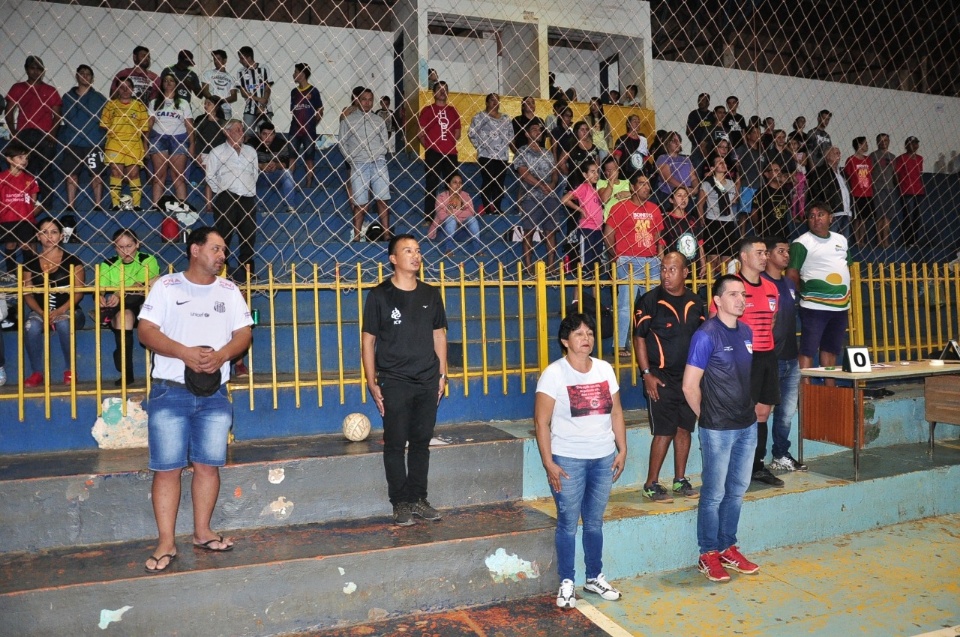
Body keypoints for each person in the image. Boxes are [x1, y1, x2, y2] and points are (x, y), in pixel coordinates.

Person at [137, 226, 253, 574]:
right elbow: (145, 331)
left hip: (214, 392)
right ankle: (166, 541)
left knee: (208, 464)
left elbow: (244, 333)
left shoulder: (230, 291)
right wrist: (185, 353)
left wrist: (221, 356)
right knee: (168, 468)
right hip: (170, 390)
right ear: (194, 250)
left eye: (223, 251)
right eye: (216, 249)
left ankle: (202, 532)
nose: (222, 256)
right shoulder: (167, 286)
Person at [534, 312, 626, 609]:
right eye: (578, 334)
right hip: (568, 460)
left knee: (595, 523)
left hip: (603, 458)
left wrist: (621, 449)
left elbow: (616, 412)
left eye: (589, 333)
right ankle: (567, 581)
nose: (586, 339)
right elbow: (541, 421)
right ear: (565, 341)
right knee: (568, 523)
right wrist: (549, 462)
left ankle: (594, 576)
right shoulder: (554, 374)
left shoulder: (605, 369)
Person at [361, 234, 448, 526]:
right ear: (393, 259)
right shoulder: (379, 295)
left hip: (427, 378)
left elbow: (439, 335)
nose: (415, 255)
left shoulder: (431, 294)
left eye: (418, 250)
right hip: (394, 379)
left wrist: (442, 374)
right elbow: (368, 340)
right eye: (408, 250)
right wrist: (372, 380)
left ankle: (418, 498)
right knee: (396, 442)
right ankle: (399, 502)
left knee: (421, 442)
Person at [682, 274, 760, 583]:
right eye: (733, 294)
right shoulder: (706, 335)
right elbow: (689, 387)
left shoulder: (746, 331)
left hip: (747, 426)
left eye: (743, 294)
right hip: (718, 429)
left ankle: (728, 546)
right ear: (717, 301)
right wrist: (709, 417)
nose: (741, 299)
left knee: (737, 491)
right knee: (714, 493)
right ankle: (708, 553)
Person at [634, 251, 705, 502]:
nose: (666, 274)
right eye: (663, 269)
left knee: (684, 428)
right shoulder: (649, 301)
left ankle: (680, 480)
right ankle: (651, 484)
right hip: (660, 378)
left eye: (672, 269)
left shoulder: (697, 302)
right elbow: (639, 337)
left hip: (688, 380)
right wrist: (646, 374)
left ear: (685, 272)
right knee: (664, 431)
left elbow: (703, 339)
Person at [730, 237, 783, 488]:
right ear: (744, 256)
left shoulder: (772, 288)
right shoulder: (732, 287)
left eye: (765, 253)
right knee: (743, 412)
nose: (765, 257)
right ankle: (737, 466)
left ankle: (757, 466)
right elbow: (717, 325)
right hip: (743, 358)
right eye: (759, 253)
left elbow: (771, 321)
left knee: (763, 412)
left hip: (767, 355)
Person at [786, 202, 851, 376]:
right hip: (814, 308)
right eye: (812, 216)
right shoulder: (801, 243)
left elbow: (846, 266)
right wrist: (808, 294)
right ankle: (806, 392)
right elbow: (792, 275)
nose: (816, 219)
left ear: (831, 218)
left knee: (831, 350)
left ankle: (829, 388)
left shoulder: (841, 240)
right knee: (808, 350)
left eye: (820, 214)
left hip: (841, 306)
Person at [603, 174, 663, 359]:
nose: (646, 187)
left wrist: (659, 256)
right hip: (628, 259)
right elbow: (608, 236)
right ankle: (620, 344)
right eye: (642, 183)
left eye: (648, 184)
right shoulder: (619, 207)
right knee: (625, 305)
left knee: (654, 304)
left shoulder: (655, 209)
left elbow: (658, 237)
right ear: (632, 187)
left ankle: (653, 342)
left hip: (651, 261)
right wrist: (618, 256)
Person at [22, 218, 86, 388]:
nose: (49, 236)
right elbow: (27, 294)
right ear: (38, 236)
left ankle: (70, 370)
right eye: (44, 232)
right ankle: (37, 372)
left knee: (64, 323)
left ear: (61, 236)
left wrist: (60, 311)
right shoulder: (30, 263)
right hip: (40, 311)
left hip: (70, 310)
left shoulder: (73, 261)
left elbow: (79, 293)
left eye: (53, 232)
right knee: (31, 326)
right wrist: (42, 313)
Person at [761, 236, 807, 472]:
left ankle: (780, 454)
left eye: (788, 252)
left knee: (787, 414)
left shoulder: (789, 284)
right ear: (768, 255)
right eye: (781, 251)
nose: (787, 255)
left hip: (791, 357)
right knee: (762, 411)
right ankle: (755, 460)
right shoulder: (760, 283)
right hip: (771, 358)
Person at [98, 228, 160, 386]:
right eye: (120, 247)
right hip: (123, 309)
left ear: (137, 244)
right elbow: (100, 288)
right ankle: (127, 373)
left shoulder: (147, 259)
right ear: (114, 247)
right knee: (124, 317)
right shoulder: (108, 263)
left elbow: (141, 284)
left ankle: (157, 369)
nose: (125, 251)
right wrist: (98, 297)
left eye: (129, 246)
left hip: (143, 304)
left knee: (155, 280)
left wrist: (118, 294)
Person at [205, 119, 259, 283]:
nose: (241, 133)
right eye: (237, 129)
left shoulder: (251, 152)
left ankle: (247, 272)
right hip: (226, 197)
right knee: (224, 235)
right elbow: (210, 177)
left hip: (248, 198)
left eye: (242, 129)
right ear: (226, 132)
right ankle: (223, 271)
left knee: (249, 236)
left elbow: (255, 174)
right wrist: (222, 190)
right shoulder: (217, 152)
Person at [5, 55, 61, 206]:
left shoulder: (50, 90)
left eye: (39, 69)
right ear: (26, 69)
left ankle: (47, 206)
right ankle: (25, 204)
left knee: (46, 171)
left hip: (44, 135)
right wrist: (14, 134)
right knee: (24, 171)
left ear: (43, 71)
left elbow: (57, 115)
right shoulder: (18, 88)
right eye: (32, 68)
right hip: (25, 134)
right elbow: (8, 112)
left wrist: (52, 135)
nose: (35, 72)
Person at [338, 86, 391, 241]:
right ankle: (356, 236)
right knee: (360, 203)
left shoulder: (379, 120)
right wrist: (351, 159)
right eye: (364, 99)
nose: (367, 103)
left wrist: (379, 154)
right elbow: (342, 142)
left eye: (370, 100)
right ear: (358, 100)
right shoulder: (348, 121)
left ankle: (387, 234)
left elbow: (385, 142)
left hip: (378, 163)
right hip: (359, 164)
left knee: (383, 199)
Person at [513, 122, 562, 275]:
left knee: (551, 231)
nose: (538, 131)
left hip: (549, 195)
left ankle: (551, 266)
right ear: (527, 134)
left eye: (539, 129)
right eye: (534, 129)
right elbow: (523, 173)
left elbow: (555, 171)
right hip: (530, 196)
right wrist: (541, 185)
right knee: (529, 230)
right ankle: (528, 265)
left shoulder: (547, 153)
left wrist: (553, 183)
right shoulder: (522, 151)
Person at [58, 64, 107, 213]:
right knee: (71, 173)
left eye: (88, 74)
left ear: (92, 79)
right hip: (74, 142)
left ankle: (97, 204)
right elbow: (64, 118)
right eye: (82, 73)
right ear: (77, 76)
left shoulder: (99, 98)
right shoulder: (67, 97)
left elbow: (106, 120)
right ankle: (70, 205)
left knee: (96, 173)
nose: (85, 76)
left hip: (94, 141)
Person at [101, 78, 150, 211]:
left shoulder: (139, 106)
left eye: (128, 86)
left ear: (132, 89)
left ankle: (137, 205)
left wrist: (145, 146)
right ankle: (116, 204)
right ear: (117, 89)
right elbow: (104, 124)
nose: (125, 89)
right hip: (115, 143)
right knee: (116, 173)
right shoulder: (110, 105)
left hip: (134, 144)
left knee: (134, 174)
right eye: (121, 87)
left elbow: (145, 129)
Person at [148, 73, 194, 208]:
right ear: (162, 84)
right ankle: (156, 205)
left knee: (178, 175)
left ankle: (182, 205)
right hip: (158, 138)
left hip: (179, 138)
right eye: (166, 81)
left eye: (171, 81)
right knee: (159, 173)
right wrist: (145, 143)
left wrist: (192, 144)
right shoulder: (154, 102)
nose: (168, 83)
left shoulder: (183, 103)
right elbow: (149, 125)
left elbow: (189, 125)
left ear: (176, 84)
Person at [418, 81, 461, 222]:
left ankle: (453, 215)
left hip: (451, 153)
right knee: (432, 184)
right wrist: (431, 147)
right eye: (439, 89)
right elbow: (420, 133)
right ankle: (429, 217)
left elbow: (457, 133)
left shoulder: (453, 111)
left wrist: (447, 145)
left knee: (453, 185)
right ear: (434, 93)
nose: (442, 92)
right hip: (433, 153)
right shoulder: (427, 110)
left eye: (445, 89)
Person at [467, 93, 512, 215]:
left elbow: (510, 137)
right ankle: (487, 208)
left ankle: (497, 207)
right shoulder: (480, 117)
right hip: (486, 155)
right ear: (486, 102)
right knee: (488, 181)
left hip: (502, 156)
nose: (495, 102)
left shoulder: (506, 119)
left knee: (499, 182)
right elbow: (471, 133)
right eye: (492, 100)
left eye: (497, 100)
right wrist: (480, 147)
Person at [0, 142, 40, 274]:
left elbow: (33, 199)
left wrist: (30, 211)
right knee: (10, 244)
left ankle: (28, 273)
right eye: (20, 157)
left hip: (25, 218)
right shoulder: (2, 178)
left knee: (26, 245)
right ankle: (11, 273)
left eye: (26, 158)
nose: (24, 161)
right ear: (9, 159)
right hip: (7, 218)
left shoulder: (29, 178)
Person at [561, 160, 606, 275]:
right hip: (587, 229)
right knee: (585, 264)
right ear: (585, 175)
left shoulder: (596, 189)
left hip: (598, 230)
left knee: (595, 265)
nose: (596, 174)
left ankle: (594, 292)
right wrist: (580, 209)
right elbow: (565, 199)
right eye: (592, 172)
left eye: (597, 172)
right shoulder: (584, 187)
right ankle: (579, 291)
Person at [699, 154, 737, 273]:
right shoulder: (707, 183)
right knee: (713, 261)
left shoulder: (731, 183)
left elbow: (734, 201)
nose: (723, 164)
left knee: (726, 261)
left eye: (724, 162)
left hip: (728, 223)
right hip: (713, 222)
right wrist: (703, 222)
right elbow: (700, 204)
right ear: (712, 168)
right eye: (719, 162)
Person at [427, 172, 481, 257]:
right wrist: (458, 215)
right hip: (442, 232)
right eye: (455, 182)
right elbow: (442, 216)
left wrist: (453, 212)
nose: (458, 185)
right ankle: (448, 250)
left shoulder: (466, 196)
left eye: (460, 183)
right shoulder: (441, 197)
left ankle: (477, 249)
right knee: (450, 220)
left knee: (472, 220)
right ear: (448, 184)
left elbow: (471, 213)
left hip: (460, 232)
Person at [249, 121, 297, 214]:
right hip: (257, 175)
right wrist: (261, 166)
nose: (267, 138)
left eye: (270, 135)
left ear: (274, 135)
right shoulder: (252, 143)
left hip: (275, 174)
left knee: (287, 173)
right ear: (259, 134)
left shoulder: (281, 143)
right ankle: (249, 207)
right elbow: (245, 162)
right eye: (264, 134)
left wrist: (276, 165)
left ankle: (291, 206)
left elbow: (287, 163)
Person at [289, 63, 323, 189]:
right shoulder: (294, 92)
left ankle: (309, 184)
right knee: (292, 157)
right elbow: (293, 110)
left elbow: (320, 109)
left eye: (296, 71)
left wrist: (313, 123)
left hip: (309, 130)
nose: (294, 74)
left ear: (302, 74)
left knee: (309, 158)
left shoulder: (313, 91)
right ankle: (290, 183)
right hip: (294, 129)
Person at [807, 146, 851, 239]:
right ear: (827, 156)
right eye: (835, 153)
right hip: (831, 213)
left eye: (839, 152)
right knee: (828, 239)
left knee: (843, 242)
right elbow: (815, 193)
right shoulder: (820, 172)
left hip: (845, 212)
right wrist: (822, 211)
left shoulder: (843, 172)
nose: (838, 154)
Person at [661, 185, 705, 275]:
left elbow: (700, 244)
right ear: (671, 200)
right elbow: (661, 246)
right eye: (679, 195)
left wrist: (703, 264)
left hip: (693, 266)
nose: (683, 198)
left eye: (685, 195)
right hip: (674, 266)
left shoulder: (693, 219)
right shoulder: (666, 219)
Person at [734, 125, 766, 237]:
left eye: (759, 132)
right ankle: (741, 237)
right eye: (755, 132)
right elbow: (735, 163)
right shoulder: (742, 148)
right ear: (748, 135)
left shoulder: (762, 151)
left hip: (759, 186)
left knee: (757, 212)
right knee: (744, 213)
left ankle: (759, 234)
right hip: (746, 185)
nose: (758, 135)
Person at [237, 46, 273, 137]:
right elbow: (243, 92)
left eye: (242, 58)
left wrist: (262, 104)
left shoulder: (264, 68)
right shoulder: (240, 72)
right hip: (250, 107)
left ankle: (264, 150)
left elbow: (267, 88)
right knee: (247, 131)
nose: (240, 61)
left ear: (249, 58)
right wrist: (257, 99)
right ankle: (253, 148)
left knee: (265, 132)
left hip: (265, 107)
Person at [655, 131, 699, 207]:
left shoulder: (686, 159)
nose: (677, 143)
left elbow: (693, 177)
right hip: (669, 196)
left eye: (678, 140)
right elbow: (668, 178)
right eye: (674, 140)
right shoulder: (663, 158)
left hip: (686, 195)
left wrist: (695, 188)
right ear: (667, 143)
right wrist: (685, 189)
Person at [895, 136, 924, 247]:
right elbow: (896, 174)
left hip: (919, 191)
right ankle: (907, 241)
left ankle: (914, 240)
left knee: (917, 217)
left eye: (916, 143)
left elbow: (919, 173)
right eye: (912, 143)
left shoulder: (920, 158)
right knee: (908, 216)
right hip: (907, 191)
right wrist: (900, 187)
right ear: (907, 145)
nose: (915, 146)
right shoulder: (901, 158)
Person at [845, 137, 873, 247]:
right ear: (859, 145)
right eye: (865, 143)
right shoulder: (851, 160)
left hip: (868, 193)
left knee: (864, 218)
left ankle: (862, 239)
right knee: (857, 218)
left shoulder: (868, 160)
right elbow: (848, 176)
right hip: (856, 193)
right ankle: (857, 240)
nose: (867, 146)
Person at [869, 133, 896, 249]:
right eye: (881, 140)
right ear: (877, 142)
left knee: (887, 216)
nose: (884, 142)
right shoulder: (873, 156)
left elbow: (894, 173)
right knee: (879, 215)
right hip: (877, 188)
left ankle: (885, 238)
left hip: (889, 188)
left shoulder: (892, 157)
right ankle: (879, 239)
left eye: (886, 140)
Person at [753, 161, 793, 239]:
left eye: (779, 170)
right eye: (775, 170)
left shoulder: (785, 191)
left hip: (784, 234)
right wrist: (759, 228)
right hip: (767, 234)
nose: (779, 173)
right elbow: (754, 213)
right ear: (767, 174)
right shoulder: (762, 191)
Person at [201, 50, 238, 120]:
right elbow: (205, 90)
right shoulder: (208, 74)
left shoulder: (231, 78)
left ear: (225, 60)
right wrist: (214, 102)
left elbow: (234, 97)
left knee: (226, 129)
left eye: (218, 59)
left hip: (226, 110)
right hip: (211, 109)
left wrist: (221, 101)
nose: (216, 61)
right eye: (214, 59)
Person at [597, 155, 631, 222]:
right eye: (609, 170)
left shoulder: (627, 182)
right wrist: (612, 180)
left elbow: (640, 196)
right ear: (604, 172)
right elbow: (604, 199)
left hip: (628, 218)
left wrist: (629, 193)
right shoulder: (602, 182)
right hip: (611, 220)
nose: (613, 172)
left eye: (615, 169)